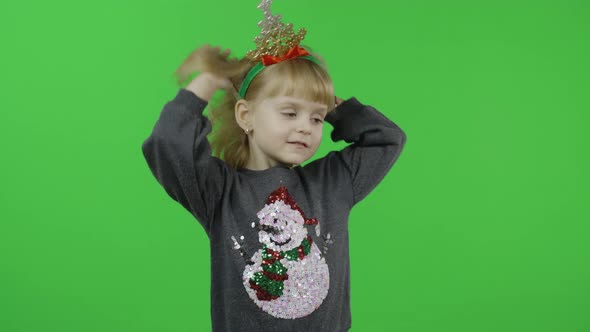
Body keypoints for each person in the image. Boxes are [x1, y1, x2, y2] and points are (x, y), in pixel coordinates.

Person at [141, 1, 407, 330]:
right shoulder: (219, 192)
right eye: (289, 112)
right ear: (245, 115)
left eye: (317, 118)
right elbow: (168, 144)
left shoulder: (333, 181)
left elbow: (387, 139)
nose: (306, 127)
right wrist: (208, 83)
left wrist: (331, 103)